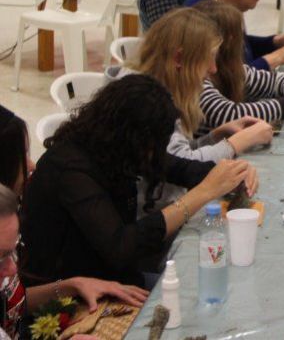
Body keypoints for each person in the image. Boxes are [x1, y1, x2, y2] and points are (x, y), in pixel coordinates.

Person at [19, 76, 258, 289]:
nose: (155, 154)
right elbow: (121, 247)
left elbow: (182, 167)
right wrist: (203, 193)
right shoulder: (71, 169)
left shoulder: (114, 148)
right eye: (153, 145)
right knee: (203, 290)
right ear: (134, 137)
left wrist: (232, 173)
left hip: (114, 277)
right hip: (75, 295)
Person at [0, 108, 148, 340]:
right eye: (21, 157)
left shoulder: (8, 215)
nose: (31, 165)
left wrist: (72, 285)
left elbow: (11, 301)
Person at [132, 8, 274, 160]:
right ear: (179, 58)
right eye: (209, 57)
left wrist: (215, 137)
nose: (213, 69)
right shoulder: (147, 103)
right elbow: (182, 166)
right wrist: (241, 141)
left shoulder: (162, 89)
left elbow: (175, 153)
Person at [193, 0, 284, 135]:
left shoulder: (229, 68)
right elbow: (230, 114)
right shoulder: (198, 80)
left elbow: (270, 81)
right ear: (231, 41)